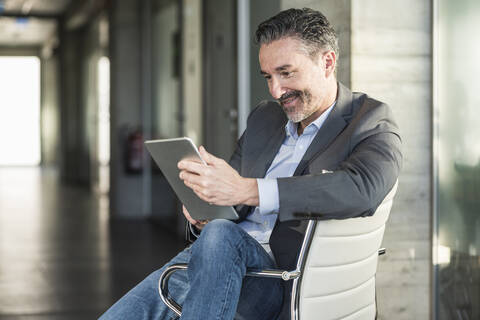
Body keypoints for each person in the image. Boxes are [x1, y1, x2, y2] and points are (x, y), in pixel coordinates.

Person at [99, 7, 402, 320]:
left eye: (286, 73)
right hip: (216, 261)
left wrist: (250, 191)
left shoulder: (370, 120)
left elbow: (362, 189)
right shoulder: (264, 119)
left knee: (219, 236)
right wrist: (206, 209)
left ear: (327, 62)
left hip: (280, 280)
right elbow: (233, 198)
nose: (275, 90)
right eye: (268, 77)